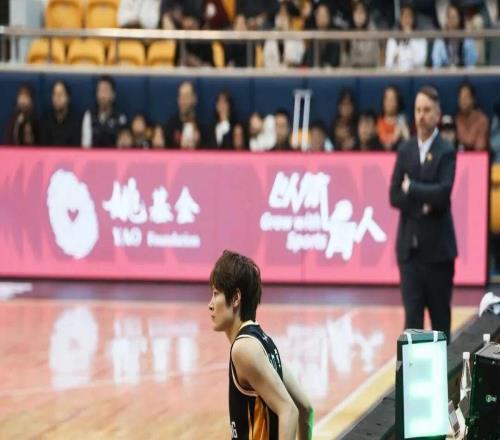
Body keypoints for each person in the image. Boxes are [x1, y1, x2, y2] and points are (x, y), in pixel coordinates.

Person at [208, 250, 314, 440]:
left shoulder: (244, 349)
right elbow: (305, 407)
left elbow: (289, 410)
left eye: (216, 294)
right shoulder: (263, 341)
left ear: (236, 298)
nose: (210, 304)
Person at [389, 85, 457, 343]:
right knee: (412, 327)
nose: (421, 115)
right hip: (410, 254)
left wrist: (413, 187)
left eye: (427, 110)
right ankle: (410, 372)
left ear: (437, 114)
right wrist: (423, 204)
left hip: (438, 255)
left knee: (441, 324)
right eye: (418, 110)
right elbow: (394, 195)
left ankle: (446, 371)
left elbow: (442, 194)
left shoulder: (446, 150)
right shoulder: (405, 149)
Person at [81, 75, 127, 148]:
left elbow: (123, 145)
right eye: (100, 91)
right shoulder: (89, 115)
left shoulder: (120, 117)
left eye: (106, 91)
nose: (102, 95)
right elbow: (86, 145)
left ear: (113, 95)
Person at [163, 81, 206, 149]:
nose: (183, 101)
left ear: (194, 99)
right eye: (181, 97)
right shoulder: (169, 127)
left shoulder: (203, 128)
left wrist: (198, 145)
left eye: (186, 97)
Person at [40, 80, 81, 147]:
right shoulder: (46, 119)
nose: (57, 98)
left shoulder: (76, 120)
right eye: (54, 94)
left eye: (60, 94)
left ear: (68, 98)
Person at [454, 81, 489, 151]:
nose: (463, 101)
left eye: (466, 97)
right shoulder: (455, 120)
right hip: (459, 156)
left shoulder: (482, 119)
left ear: (473, 99)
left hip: (478, 156)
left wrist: (464, 143)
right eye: (460, 97)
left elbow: (480, 147)